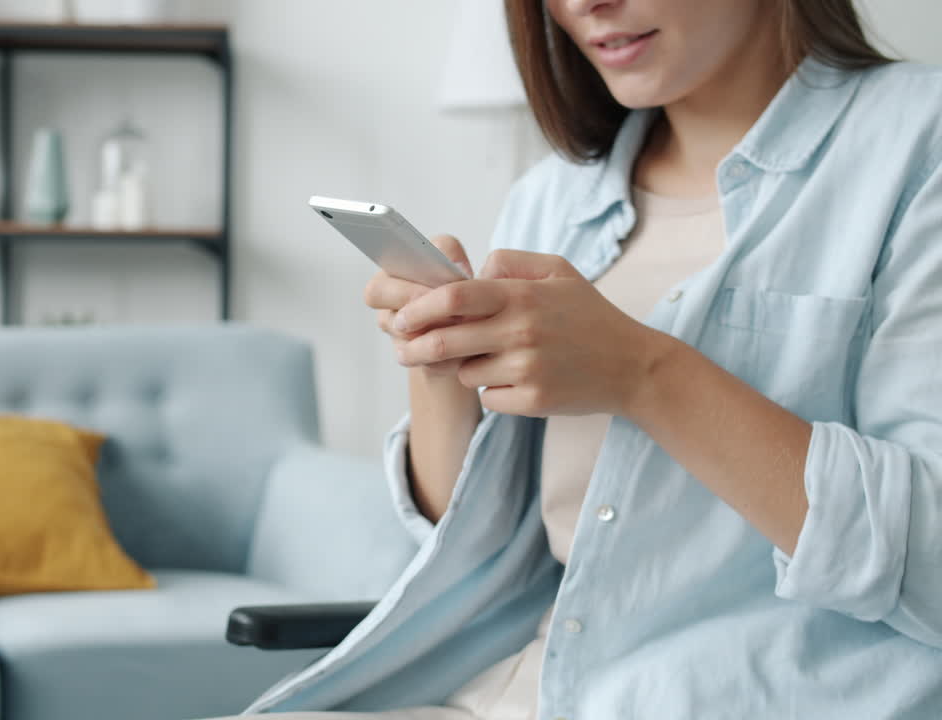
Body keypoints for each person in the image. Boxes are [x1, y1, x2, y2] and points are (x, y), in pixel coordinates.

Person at [206, 0, 942, 717]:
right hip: (515, 684)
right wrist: (440, 371)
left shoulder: (917, 141)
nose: (586, 5)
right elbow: (463, 546)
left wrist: (642, 372)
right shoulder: (555, 197)